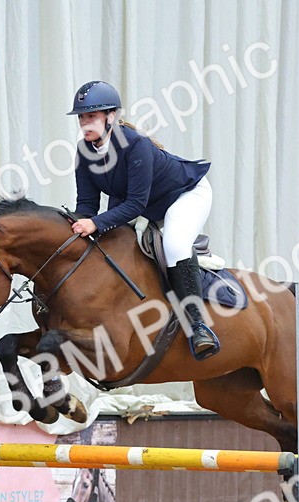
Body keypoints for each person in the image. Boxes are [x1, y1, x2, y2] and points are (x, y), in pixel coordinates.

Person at [67, 81, 219, 359]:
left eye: (91, 116)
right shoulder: (84, 151)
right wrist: (75, 226)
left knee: (174, 244)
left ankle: (199, 326)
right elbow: (87, 204)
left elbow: (135, 203)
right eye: (81, 117)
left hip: (184, 194)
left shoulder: (135, 144)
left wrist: (96, 223)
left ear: (111, 116)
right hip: (143, 202)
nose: (85, 123)